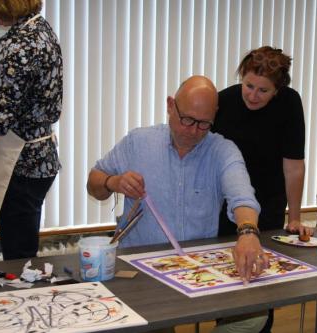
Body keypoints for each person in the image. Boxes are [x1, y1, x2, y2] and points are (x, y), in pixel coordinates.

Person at [87, 76, 268, 333]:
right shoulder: (139, 142)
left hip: (197, 267)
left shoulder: (222, 150)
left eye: (204, 124)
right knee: (154, 323)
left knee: (253, 316)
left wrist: (248, 232)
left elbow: (242, 196)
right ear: (171, 105)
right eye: (187, 120)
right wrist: (112, 181)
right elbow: (93, 183)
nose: (193, 131)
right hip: (141, 270)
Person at [212, 46, 313, 332]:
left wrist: (294, 217)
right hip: (225, 204)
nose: (252, 95)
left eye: (263, 91)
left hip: (268, 204)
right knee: (227, 282)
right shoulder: (224, 101)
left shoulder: (290, 104)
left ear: (278, 90)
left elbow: (293, 166)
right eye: (249, 85)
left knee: (260, 283)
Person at [0, 0, 63, 260]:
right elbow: (24, 82)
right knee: (22, 242)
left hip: (23, 163)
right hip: (40, 158)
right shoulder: (38, 29)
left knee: (18, 253)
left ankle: (20, 294)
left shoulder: (20, 46)